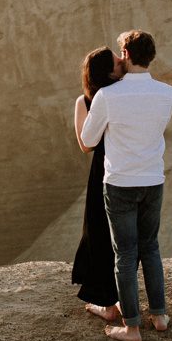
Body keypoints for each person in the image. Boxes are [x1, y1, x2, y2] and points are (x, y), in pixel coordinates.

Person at [77, 29, 172, 341]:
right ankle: (159, 316)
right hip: (153, 180)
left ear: (127, 55)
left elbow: (88, 140)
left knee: (125, 254)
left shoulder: (107, 96)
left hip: (120, 182)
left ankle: (131, 327)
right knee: (151, 248)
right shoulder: (167, 93)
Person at [70, 47, 124, 325]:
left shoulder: (86, 101)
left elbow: (86, 144)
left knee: (100, 231)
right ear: (108, 72)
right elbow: (85, 145)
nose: (122, 61)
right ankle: (118, 301)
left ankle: (108, 304)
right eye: (117, 60)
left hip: (104, 169)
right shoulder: (121, 95)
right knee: (116, 234)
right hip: (119, 167)